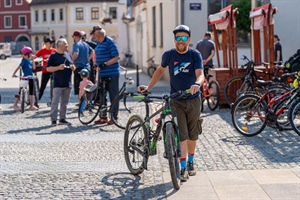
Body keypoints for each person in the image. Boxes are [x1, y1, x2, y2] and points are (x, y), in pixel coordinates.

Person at [138, 25, 204, 182]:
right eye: (178, 38)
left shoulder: (195, 55)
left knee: (193, 134)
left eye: (184, 38)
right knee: (182, 133)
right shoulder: (169, 55)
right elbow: (160, 71)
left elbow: (200, 74)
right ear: (174, 40)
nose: (180, 41)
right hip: (176, 99)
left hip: (193, 99)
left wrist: (197, 84)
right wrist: (148, 87)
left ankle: (190, 162)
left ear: (189, 39)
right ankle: (182, 168)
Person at [91, 25, 120, 125]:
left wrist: (105, 63)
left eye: (95, 35)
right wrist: (96, 64)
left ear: (99, 35)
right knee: (101, 95)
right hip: (102, 73)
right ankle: (103, 117)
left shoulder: (109, 42)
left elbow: (116, 57)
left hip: (112, 73)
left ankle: (114, 117)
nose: (94, 37)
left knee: (113, 95)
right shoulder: (98, 43)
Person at [47, 38, 76, 125]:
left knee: (65, 102)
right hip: (57, 83)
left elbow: (73, 66)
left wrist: (73, 68)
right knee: (55, 101)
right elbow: (48, 69)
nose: (67, 45)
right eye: (65, 44)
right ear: (60, 46)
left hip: (68, 82)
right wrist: (58, 68)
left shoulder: (68, 55)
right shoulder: (53, 56)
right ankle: (53, 119)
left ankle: (62, 118)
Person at [12, 46, 38, 111]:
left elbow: (34, 68)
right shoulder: (24, 60)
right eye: (30, 53)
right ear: (27, 54)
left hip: (31, 77)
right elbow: (19, 67)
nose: (31, 54)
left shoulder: (29, 61)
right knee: (20, 91)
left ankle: (31, 106)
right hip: (25, 77)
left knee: (31, 92)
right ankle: (15, 104)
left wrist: (33, 60)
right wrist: (14, 74)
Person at [71, 30, 94, 102]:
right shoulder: (85, 44)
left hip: (79, 68)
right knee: (86, 85)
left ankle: (81, 102)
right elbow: (92, 51)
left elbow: (76, 53)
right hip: (87, 68)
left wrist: (71, 61)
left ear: (75, 37)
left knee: (79, 86)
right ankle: (87, 102)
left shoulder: (76, 44)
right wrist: (88, 59)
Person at [32, 37, 56, 102]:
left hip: (53, 70)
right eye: (50, 43)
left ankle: (54, 101)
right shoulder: (42, 51)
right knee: (42, 87)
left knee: (54, 87)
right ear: (46, 43)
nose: (51, 44)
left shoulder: (54, 50)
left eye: (52, 43)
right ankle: (37, 101)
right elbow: (34, 56)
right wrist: (30, 55)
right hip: (45, 71)